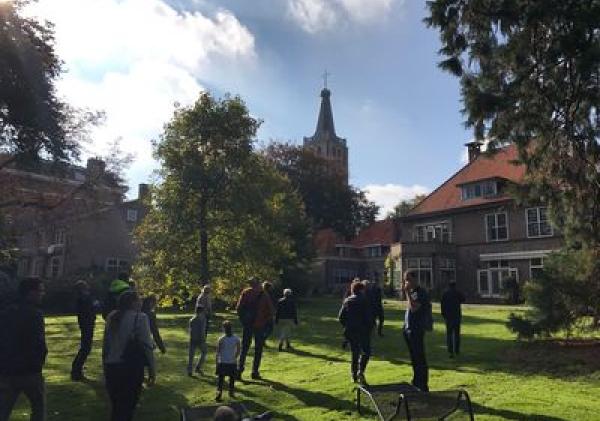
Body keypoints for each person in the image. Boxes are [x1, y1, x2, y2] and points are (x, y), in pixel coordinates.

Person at [103, 291, 155, 421]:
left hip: (111, 367)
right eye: (139, 300)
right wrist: (152, 370)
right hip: (130, 367)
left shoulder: (112, 317)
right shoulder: (141, 318)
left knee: (116, 408)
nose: (141, 302)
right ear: (133, 302)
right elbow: (147, 347)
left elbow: (106, 345)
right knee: (128, 408)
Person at [0, 278, 47, 421]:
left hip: (7, 369)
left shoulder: (7, 312)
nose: (42, 294)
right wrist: (39, 362)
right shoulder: (35, 314)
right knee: (38, 407)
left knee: (3, 409)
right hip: (29, 369)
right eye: (40, 291)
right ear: (31, 293)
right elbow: (39, 342)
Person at [236, 277, 274, 380]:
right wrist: (266, 323)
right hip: (259, 325)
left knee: (244, 349)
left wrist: (244, 321)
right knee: (258, 349)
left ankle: (239, 370)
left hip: (248, 325)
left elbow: (238, 308)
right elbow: (270, 311)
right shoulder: (264, 295)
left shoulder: (246, 293)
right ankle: (254, 372)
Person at [338, 280, 372, 384]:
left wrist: (347, 325)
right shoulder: (364, 301)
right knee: (366, 351)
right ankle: (361, 371)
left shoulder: (347, 301)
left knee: (355, 352)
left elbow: (340, 317)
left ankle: (354, 374)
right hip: (363, 330)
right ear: (361, 290)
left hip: (351, 330)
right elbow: (368, 317)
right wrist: (370, 327)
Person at [402, 271, 430, 392]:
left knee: (419, 357)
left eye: (408, 279)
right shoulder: (413, 293)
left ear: (414, 279)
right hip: (409, 329)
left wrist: (407, 292)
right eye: (404, 280)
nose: (406, 282)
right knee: (413, 357)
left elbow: (414, 308)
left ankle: (423, 384)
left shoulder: (421, 292)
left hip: (417, 329)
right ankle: (416, 381)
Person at [71, 280, 100, 381]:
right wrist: (95, 304)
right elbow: (92, 306)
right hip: (87, 323)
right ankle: (76, 370)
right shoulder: (84, 298)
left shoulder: (81, 298)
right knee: (86, 348)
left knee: (85, 347)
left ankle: (77, 368)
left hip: (85, 323)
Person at [216, 321, 240, 401]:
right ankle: (231, 391)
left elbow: (218, 351)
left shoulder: (221, 339)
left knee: (220, 379)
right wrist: (235, 357)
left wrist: (217, 362)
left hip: (223, 361)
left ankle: (219, 392)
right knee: (232, 378)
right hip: (232, 362)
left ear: (224, 329)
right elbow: (238, 350)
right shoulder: (236, 339)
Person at [441, 281, 465, 358]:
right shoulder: (458, 293)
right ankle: (457, 350)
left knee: (449, 334)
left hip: (448, 316)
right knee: (457, 334)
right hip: (457, 316)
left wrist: (443, 313)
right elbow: (463, 299)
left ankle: (450, 350)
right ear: (455, 286)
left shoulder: (445, 293)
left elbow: (442, 304)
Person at [188, 304, 208, 376]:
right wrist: (203, 339)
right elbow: (202, 330)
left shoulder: (192, 320)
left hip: (193, 339)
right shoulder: (202, 319)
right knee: (204, 352)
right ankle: (197, 368)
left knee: (191, 356)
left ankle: (191, 370)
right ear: (201, 312)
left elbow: (191, 331)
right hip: (199, 339)